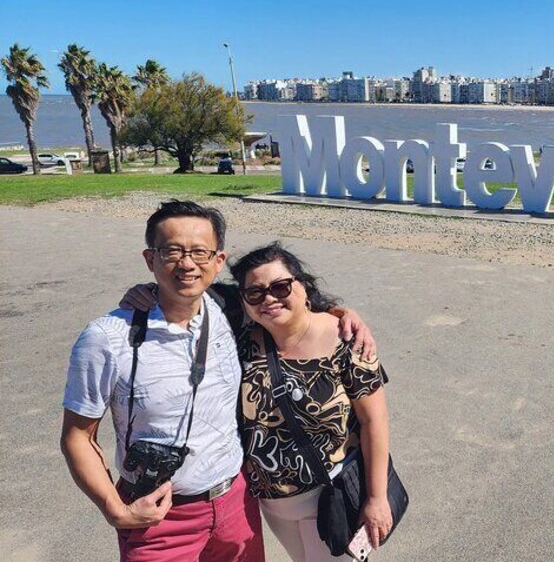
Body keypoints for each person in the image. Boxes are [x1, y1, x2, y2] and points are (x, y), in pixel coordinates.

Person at [61, 200, 373, 562]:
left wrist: (343, 315)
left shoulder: (230, 309)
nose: (187, 263)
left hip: (236, 504)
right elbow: (78, 436)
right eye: (172, 251)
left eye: (199, 252)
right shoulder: (107, 338)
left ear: (218, 261)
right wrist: (114, 508)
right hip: (157, 516)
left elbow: (291, 309)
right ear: (150, 259)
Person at [229, 243, 392, 562]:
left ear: (303, 287)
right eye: (256, 293)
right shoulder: (245, 342)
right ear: (244, 302)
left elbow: (375, 421)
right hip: (273, 502)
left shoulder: (346, 340)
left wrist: (376, 497)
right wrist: (142, 294)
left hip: (333, 496)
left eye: (280, 287)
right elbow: (185, 292)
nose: (269, 299)